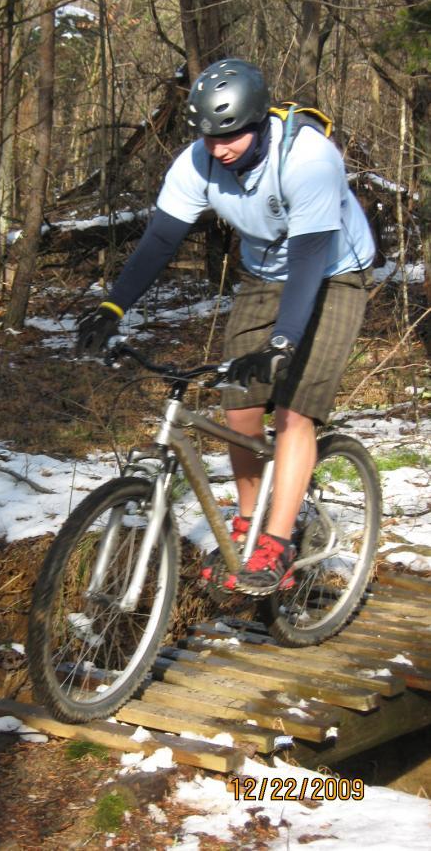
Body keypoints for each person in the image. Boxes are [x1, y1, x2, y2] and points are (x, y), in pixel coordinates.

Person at [76, 58, 375, 595]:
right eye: (209, 136)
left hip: (332, 273)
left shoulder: (308, 158)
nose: (219, 148)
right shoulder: (198, 163)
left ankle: (275, 545)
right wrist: (113, 307)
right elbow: (161, 240)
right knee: (238, 404)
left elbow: (309, 256)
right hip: (264, 274)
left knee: (292, 411)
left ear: (258, 121)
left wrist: (281, 343)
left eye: (231, 134)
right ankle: (247, 521)